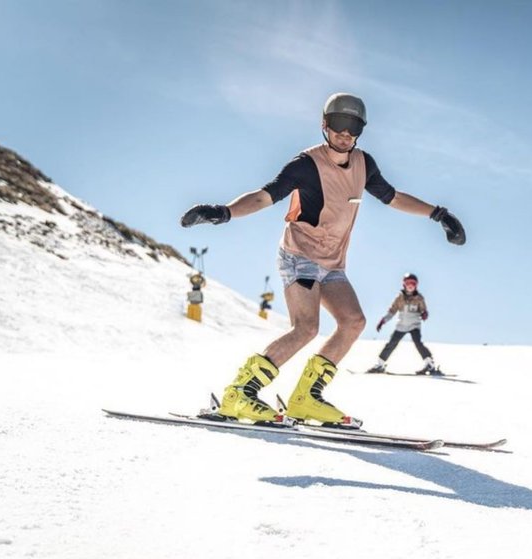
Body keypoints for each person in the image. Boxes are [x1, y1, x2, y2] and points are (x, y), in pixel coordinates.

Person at [179, 92, 466, 427]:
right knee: (306, 327)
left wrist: (439, 215)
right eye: (338, 126)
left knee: (353, 321)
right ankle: (239, 393)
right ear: (325, 126)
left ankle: (305, 398)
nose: (345, 134)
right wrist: (224, 212)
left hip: (332, 263)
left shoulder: (364, 164)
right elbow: (264, 196)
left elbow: (393, 197)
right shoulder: (306, 164)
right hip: (299, 256)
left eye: (353, 127)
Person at [366, 273, 442, 375]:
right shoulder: (400, 298)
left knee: (418, 343)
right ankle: (380, 364)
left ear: (416, 285)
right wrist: (383, 321)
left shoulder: (419, 298)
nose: (410, 285)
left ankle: (429, 364)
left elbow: (423, 310)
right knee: (391, 343)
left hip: (414, 325)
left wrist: (424, 314)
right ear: (404, 285)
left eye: (413, 283)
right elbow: (392, 311)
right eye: (408, 283)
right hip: (401, 325)